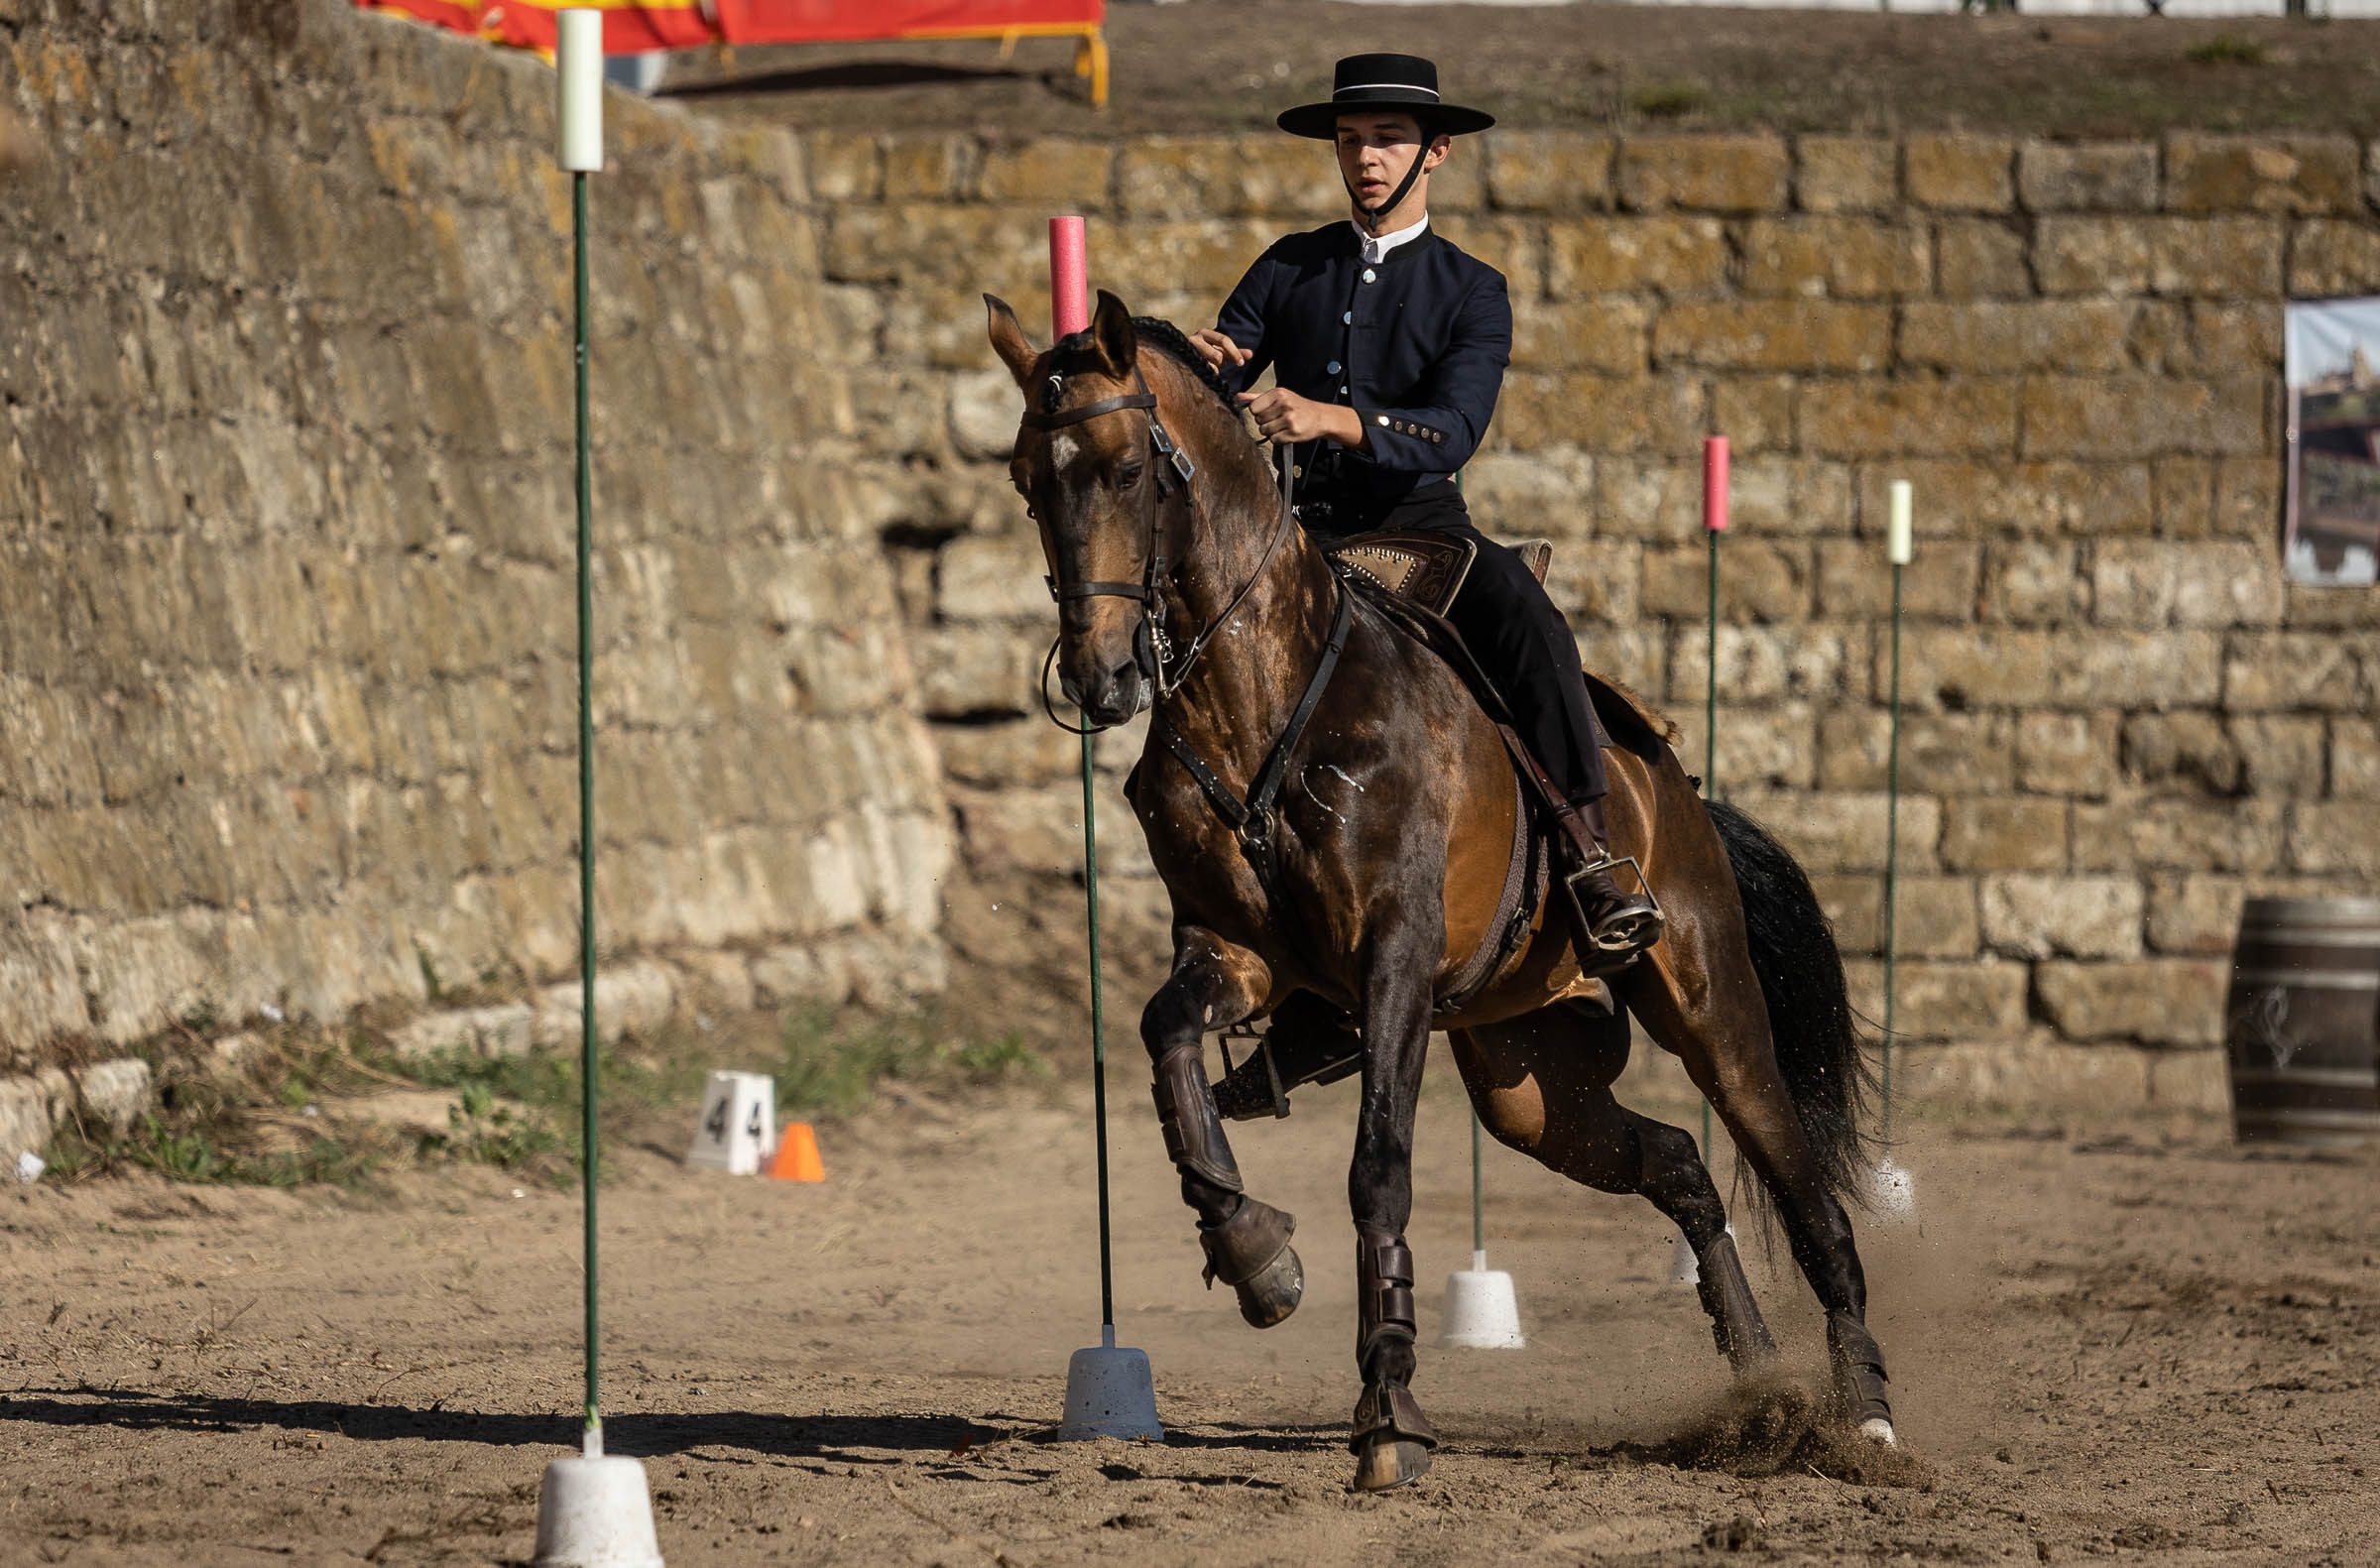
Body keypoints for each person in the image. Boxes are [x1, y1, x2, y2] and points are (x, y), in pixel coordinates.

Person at [1187, 53, 1661, 959]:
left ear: (1435, 151)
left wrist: (1328, 415)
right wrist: (1209, 367)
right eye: (1351, 140)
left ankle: (1594, 853)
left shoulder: (1473, 288)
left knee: (1534, 626)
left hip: (1423, 527)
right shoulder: (1288, 265)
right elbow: (1231, 371)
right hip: (1303, 535)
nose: (1366, 158)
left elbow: (1452, 431)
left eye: (1388, 140)